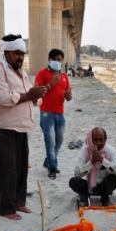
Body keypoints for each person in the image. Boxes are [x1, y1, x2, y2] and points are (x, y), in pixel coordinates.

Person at [0, 34, 47, 220]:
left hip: (21, 127)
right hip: (5, 128)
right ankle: (5, 208)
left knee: (20, 168)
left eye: (22, 54)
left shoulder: (20, 72)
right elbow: (4, 97)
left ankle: (19, 202)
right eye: (17, 53)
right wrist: (28, 95)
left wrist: (35, 95)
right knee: (7, 169)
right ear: (6, 52)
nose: (21, 57)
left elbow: (33, 97)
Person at [35, 48, 73, 179]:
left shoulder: (64, 77)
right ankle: (52, 167)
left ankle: (48, 161)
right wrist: (51, 84)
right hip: (46, 113)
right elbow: (37, 93)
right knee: (50, 141)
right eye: (54, 59)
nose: (57, 62)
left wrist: (68, 95)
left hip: (60, 114)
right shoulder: (42, 74)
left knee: (59, 141)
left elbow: (69, 97)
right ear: (49, 60)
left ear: (62, 61)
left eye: (59, 59)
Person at [69, 127, 116, 207]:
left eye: (101, 140)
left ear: (105, 140)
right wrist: (91, 162)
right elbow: (77, 173)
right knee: (73, 181)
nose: (98, 143)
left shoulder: (111, 151)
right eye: (95, 140)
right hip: (89, 187)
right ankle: (84, 197)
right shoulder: (86, 151)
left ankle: (105, 196)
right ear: (91, 140)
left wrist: (102, 160)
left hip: (104, 186)